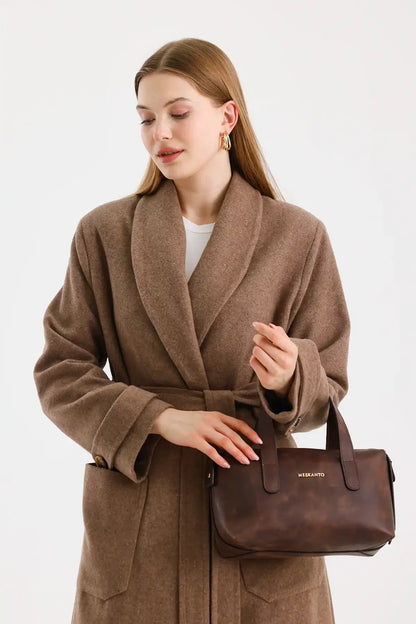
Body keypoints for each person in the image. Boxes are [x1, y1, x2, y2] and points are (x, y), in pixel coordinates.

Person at [33, 37, 350, 624]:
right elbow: (61, 371)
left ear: (227, 117)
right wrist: (157, 417)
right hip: (142, 507)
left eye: (179, 113)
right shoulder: (104, 233)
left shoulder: (297, 236)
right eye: (146, 118)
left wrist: (289, 377)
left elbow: (327, 389)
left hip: (262, 505)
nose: (160, 133)